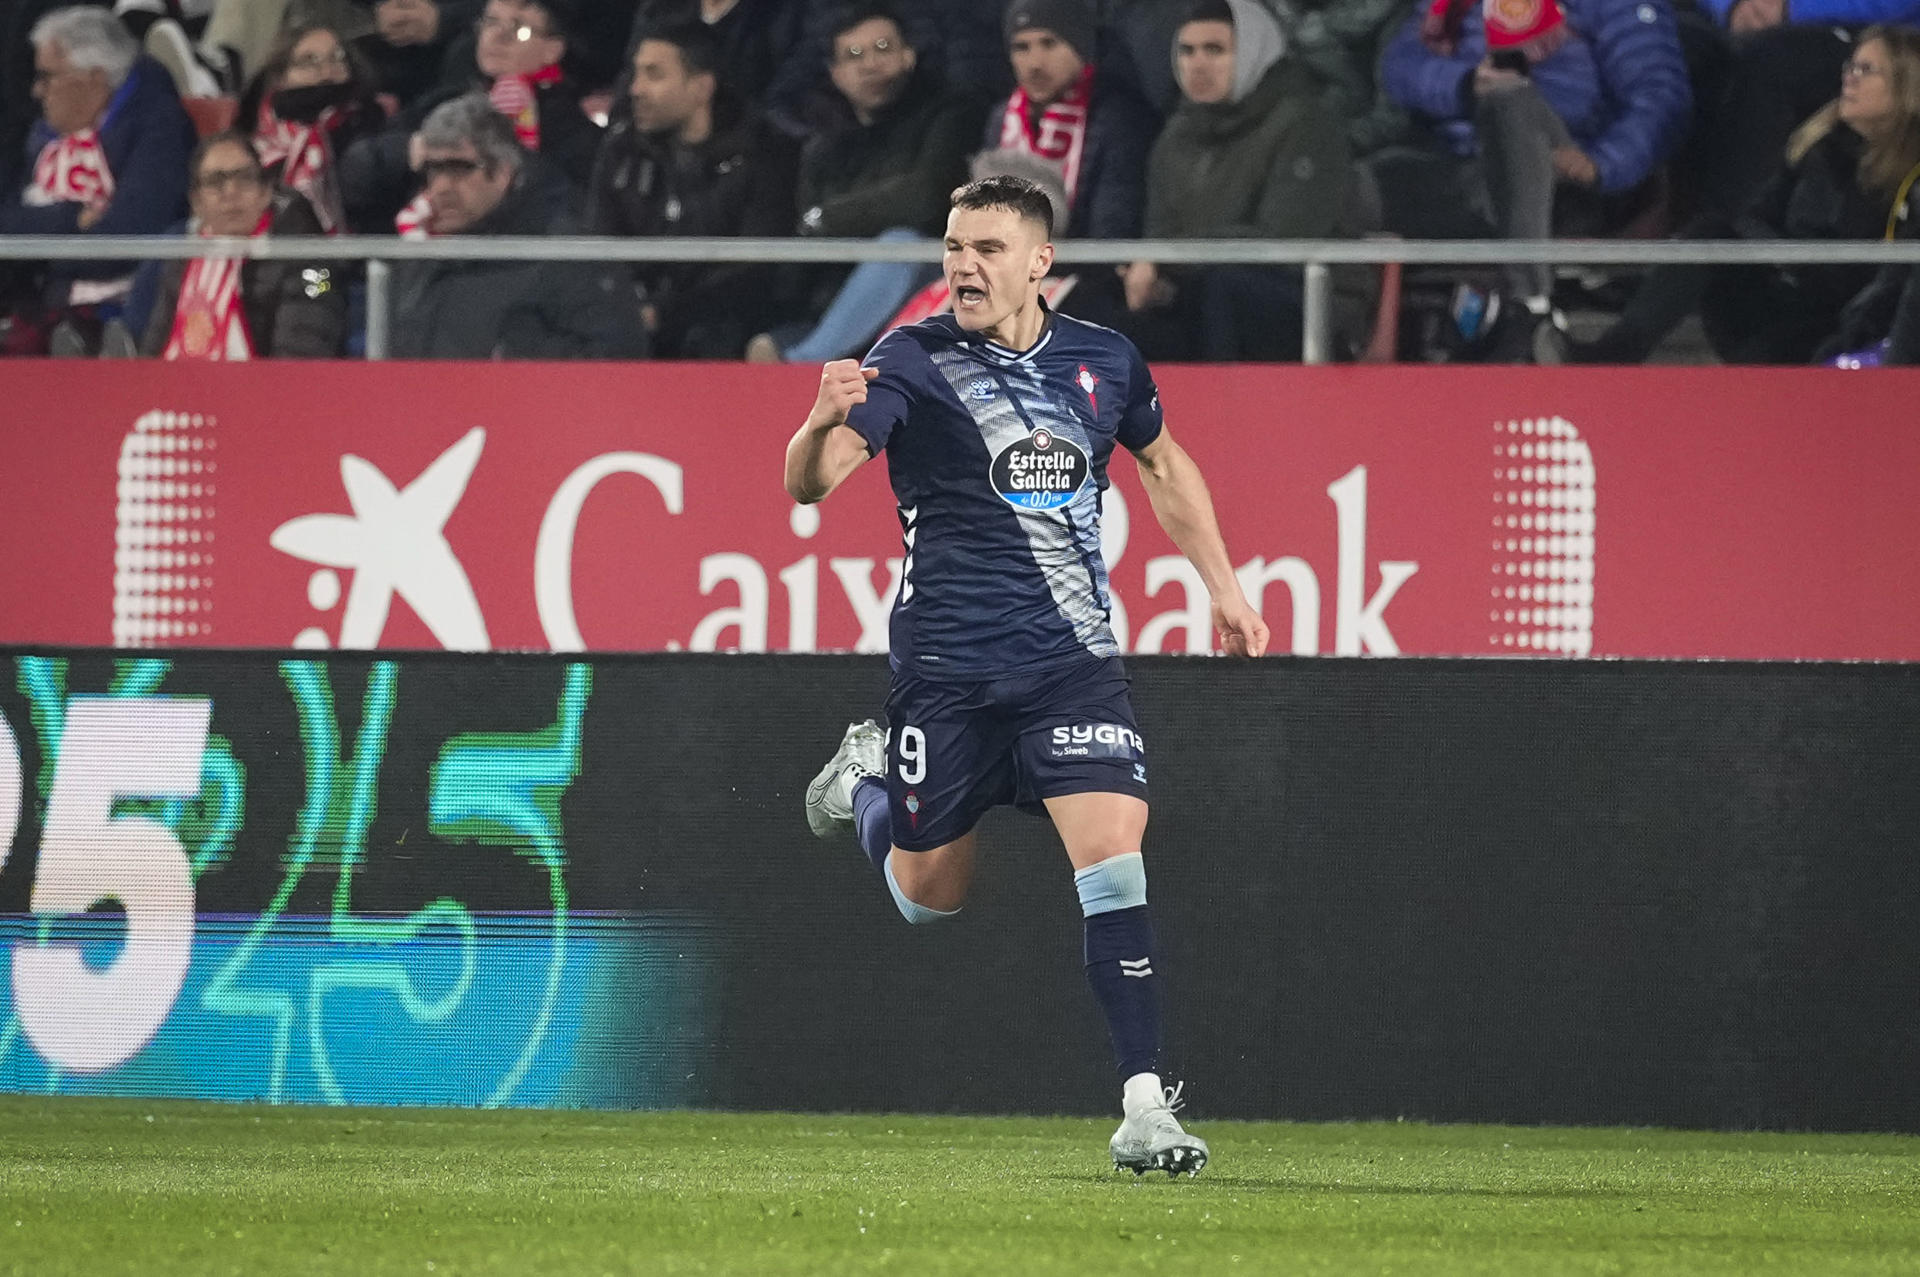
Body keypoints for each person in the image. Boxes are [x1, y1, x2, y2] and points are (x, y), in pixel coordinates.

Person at [784, 175, 1270, 1177]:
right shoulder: (910, 358)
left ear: (1039, 262)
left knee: (1115, 857)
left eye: (988, 248)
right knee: (930, 896)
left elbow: (1165, 465)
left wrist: (1225, 585)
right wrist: (812, 422)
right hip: (947, 676)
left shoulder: (1105, 359)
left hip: (1069, 667)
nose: (963, 263)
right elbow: (817, 481)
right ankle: (867, 776)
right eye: (955, 246)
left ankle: (1144, 1103)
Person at [1562, 25, 1920, 364]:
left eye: (1866, 69)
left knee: (1796, 330)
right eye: (1850, 65)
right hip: (1778, 292)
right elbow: (1754, 217)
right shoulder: (1819, 147)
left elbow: (1886, 282)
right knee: (1709, 233)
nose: (1849, 76)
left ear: (1906, 85)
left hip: (1840, 321)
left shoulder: (1910, 175)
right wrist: (1786, 259)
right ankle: (1615, 353)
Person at [1372, 0, 1692, 360]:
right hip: (1458, 163)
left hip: (1567, 171)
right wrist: (1465, 84)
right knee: (1358, 184)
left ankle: (1531, 308)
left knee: (1512, 103)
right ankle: (1335, 336)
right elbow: (1400, 64)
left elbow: (1660, 98)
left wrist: (1601, 164)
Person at [1116, 0, 1372, 361]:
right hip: (1203, 291)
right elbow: (1161, 235)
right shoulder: (1175, 137)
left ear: (1256, 51)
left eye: (1215, 50)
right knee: (1105, 315)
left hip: (1312, 302)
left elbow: (1285, 240)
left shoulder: (1307, 123)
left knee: (1225, 288)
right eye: (1187, 51)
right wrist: (1156, 282)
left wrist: (1171, 260)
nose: (1198, 64)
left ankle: (1228, 414)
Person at [748, 3, 985, 363]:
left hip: (934, 292)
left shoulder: (949, 114)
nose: (870, 64)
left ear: (909, 56)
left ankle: (807, 367)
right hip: (837, 300)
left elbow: (925, 199)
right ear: (836, 74)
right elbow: (809, 232)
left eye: (884, 49)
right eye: (854, 55)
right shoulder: (825, 145)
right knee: (762, 346)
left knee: (898, 243)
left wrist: (830, 217)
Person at [588, 20, 798, 357]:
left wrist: (667, 313)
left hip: (727, 335)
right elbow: (602, 244)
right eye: (636, 73)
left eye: (654, 75)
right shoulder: (622, 150)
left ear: (701, 87)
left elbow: (755, 267)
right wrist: (632, 305)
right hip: (631, 326)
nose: (635, 89)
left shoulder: (764, 152)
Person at [389, 92, 645, 358]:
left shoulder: (569, 256)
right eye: (433, 169)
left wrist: (517, 359)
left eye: (459, 169)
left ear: (503, 172)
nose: (440, 187)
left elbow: (617, 357)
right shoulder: (417, 255)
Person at [1, 5, 195, 355]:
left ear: (93, 78)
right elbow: (6, 223)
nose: (37, 91)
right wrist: (71, 218)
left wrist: (32, 255)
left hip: (124, 308)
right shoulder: (40, 136)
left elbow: (125, 240)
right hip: (38, 300)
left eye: (48, 76)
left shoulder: (160, 129)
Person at [138, 131, 345, 358]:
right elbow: (153, 355)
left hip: (269, 390)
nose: (231, 192)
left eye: (244, 178)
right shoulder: (182, 259)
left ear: (265, 192)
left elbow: (302, 357)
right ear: (196, 202)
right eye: (215, 181)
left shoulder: (313, 266)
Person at [990, 0, 1159, 240]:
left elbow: (1111, 229)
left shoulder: (1119, 120)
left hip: (1083, 268)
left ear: (1082, 50)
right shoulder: (1003, 119)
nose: (1035, 63)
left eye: (1049, 44)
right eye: (1021, 48)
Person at [239, 24, 389, 232]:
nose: (327, 72)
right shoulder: (252, 142)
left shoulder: (369, 125)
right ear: (281, 77)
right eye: (310, 62)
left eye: (337, 57)